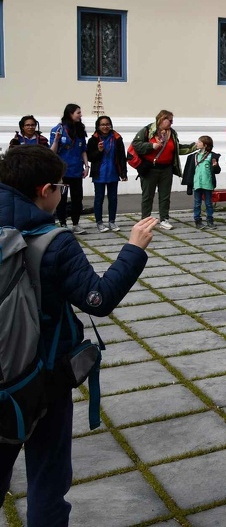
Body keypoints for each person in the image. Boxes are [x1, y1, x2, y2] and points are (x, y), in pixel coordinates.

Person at [0, 145, 156, 526]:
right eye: (61, 187)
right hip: (43, 377)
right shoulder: (54, 241)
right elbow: (97, 299)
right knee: (48, 480)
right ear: (45, 191)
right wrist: (133, 249)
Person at [131, 110, 192, 230]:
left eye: (172, 120)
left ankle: (164, 219)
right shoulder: (148, 130)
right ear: (161, 119)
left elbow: (176, 148)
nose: (171, 123)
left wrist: (193, 147)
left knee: (165, 196)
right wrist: (151, 146)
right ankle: (145, 220)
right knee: (148, 196)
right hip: (150, 169)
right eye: (169, 120)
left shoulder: (172, 133)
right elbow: (136, 145)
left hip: (166, 169)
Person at [50, 104, 89, 234]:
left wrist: (86, 166)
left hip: (77, 171)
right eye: (78, 113)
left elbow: (83, 150)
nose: (80, 115)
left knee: (77, 199)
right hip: (62, 171)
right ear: (70, 113)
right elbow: (52, 152)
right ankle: (63, 223)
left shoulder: (79, 130)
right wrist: (56, 140)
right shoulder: (58, 129)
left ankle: (76, 224)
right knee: (61, 199)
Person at [86, 116, 127, 233]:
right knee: (99, 199)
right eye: (102, 124)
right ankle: (99, 222)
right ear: (98, 126)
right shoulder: (93, 139)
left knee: (113, 199)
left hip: (113, 173)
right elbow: (90, 157)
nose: (105, 127)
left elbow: (122, 157)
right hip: (99, 173)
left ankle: (112, 221)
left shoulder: (117, 138)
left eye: (107, 124)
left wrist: (123, 173)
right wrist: (98, 151)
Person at [182, 136, 221, 229]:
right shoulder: (194, 156)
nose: (197, 143)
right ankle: (197, 220)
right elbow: (189, 171)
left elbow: (217, 171)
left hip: (207, 183)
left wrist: (215, 166)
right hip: (197, 183)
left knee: (208, 203)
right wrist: (189, 184)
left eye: (199, 142)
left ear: (205, 145)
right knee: (197, 203)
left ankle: (210, 220)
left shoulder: (212, 156)